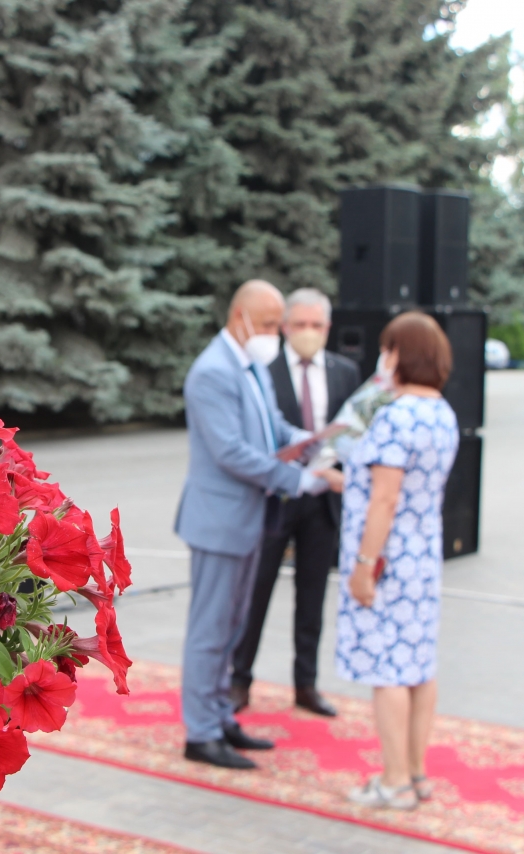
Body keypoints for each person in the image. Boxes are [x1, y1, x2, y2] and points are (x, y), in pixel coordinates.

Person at [175, 280, 343, 771]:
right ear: (241, 317)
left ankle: (219, 715)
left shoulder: (250, 365)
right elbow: (231, 452)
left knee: (232, 628)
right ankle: (200, 733)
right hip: (219, 520)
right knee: (210, 630)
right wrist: (298, 480)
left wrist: (312, 440)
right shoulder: (212, 371)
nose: (276, 333)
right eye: (269, 324)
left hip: (247, 518)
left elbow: (272, 428)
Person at [335, 311, 459, 811]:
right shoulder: (442, 412)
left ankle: (393, 781)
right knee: (419, 667)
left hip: (389, 560)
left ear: (401, 355)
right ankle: (416, 771)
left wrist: (365, 564)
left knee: (388, 671)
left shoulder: (396, 415)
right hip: (422, 555)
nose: (382, 359)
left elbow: (384, 499)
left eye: (388, 349)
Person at [230, 288, 360, 718]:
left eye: (316, 325)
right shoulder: (262, 371)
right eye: (300, 324)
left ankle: (306, 683)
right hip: (276, 498)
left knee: (312, 595)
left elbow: (352, 433)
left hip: (322, 501)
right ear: (285, 327)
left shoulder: (344, 372)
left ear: (328, 328)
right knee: (256, 592)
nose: (308, 332)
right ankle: (239, 681)